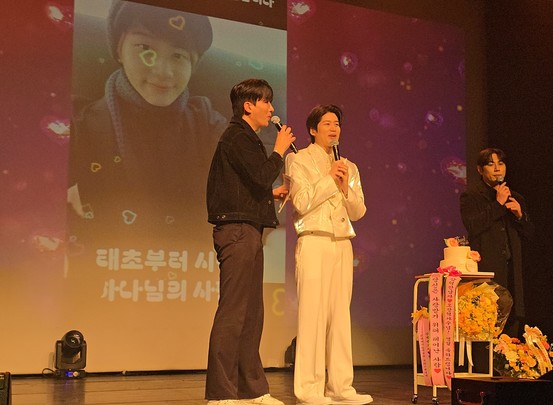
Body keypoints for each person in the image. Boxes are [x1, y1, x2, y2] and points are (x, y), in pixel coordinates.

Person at [69, 0, 226, 239]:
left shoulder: (206, 122)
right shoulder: (77, 125)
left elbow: (249, 168)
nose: (163, 71)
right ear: (119, 50)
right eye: (144, 48)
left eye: (178, 55)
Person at [205, 79, 295, 405]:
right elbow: (260, 174)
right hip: (237, 231)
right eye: (266, 102)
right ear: (248, 106)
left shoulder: (246, 138)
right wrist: (279, 150)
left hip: (249, 229)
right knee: (233, 311)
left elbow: (246, 183)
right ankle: (221, 393)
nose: (271, 109)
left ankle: (252, 390)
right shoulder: (237, 136)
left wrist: (271, 194)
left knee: (252, 313)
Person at [286, 104, 372, 405]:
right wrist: (329, 179)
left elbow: (358, 211)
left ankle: (341, 388)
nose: (334, 128)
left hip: (342, 242)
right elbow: (301, 202)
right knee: (313, 315)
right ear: (313, 129)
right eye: (327, 123)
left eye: (337, 123)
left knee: (340, 316)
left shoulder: (349, 166)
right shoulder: (298, 159)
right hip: (313, 240)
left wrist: (345, 187)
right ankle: (309, 389)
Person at [459, 148, 534, 337]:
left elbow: (529, 234)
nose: (497, 168)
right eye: (491, 164)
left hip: (512, 272)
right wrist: (498, 204)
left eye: (501, 163)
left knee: (511, 326)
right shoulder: (472, 197)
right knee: (487, 324)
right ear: (480, 169)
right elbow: (473, 226)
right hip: (488, 271)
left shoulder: (515, 197)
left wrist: (520, 216)